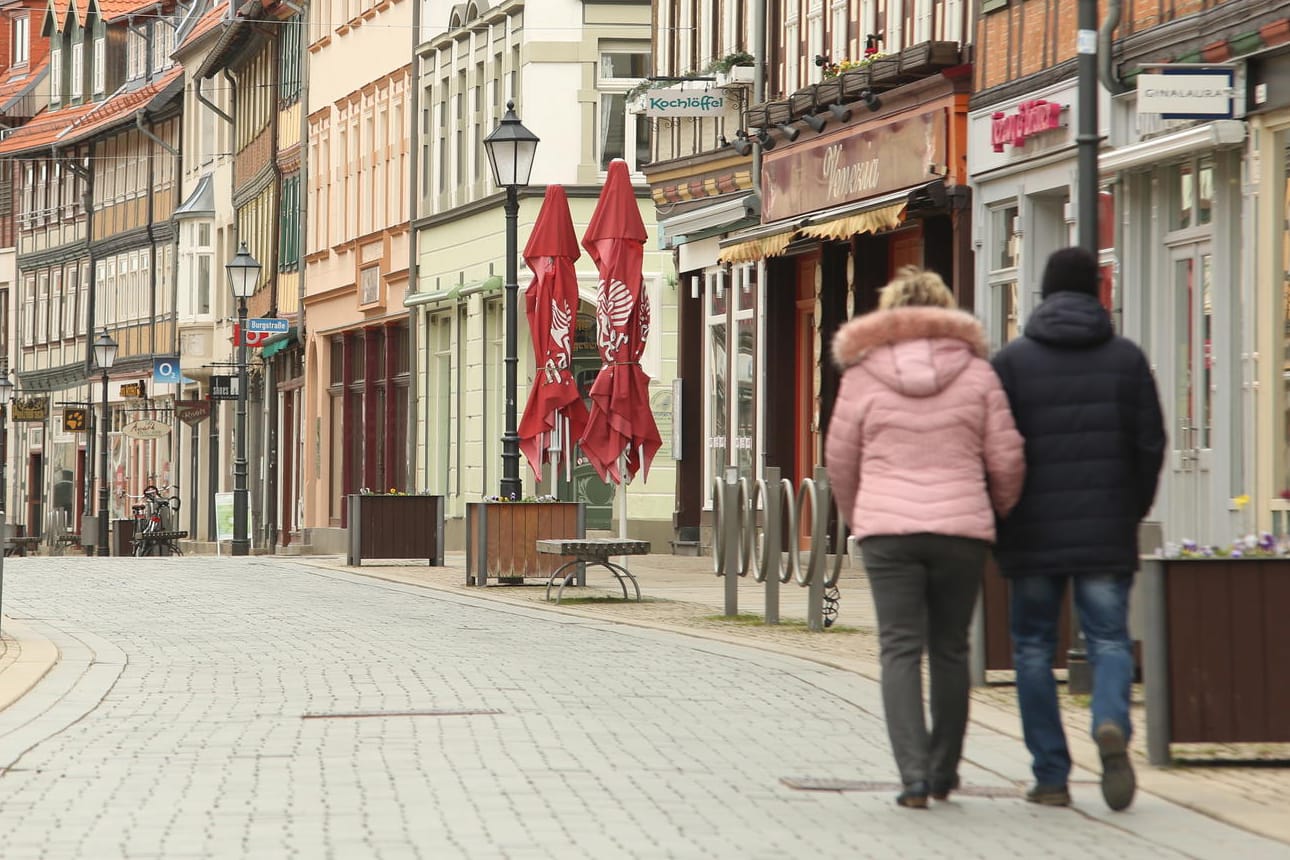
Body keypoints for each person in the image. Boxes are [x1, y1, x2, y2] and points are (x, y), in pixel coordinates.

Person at [826, 266, 1026, 809]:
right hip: (962, 531)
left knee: (898, 648)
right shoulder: (978, 374)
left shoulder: (863, 375)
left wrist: (857, 515)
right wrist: (995, 511)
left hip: (886, 531)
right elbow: (1006, 458)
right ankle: (943, 771)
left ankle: (912, 775)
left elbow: (840, 459)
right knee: (951, 649)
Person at [991, 246, 1166, 812]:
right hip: (1106, 530)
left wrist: (1003, 514)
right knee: (1111, 639)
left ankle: (1051, 775)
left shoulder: (1012, 362)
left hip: (1031, 531)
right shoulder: (1127, 359)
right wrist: (1129, 510)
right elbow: (1150, 444)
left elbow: (996, 450)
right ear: (1097, 291)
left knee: (1035, 649)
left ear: (1043, 294)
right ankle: (1111, 721)